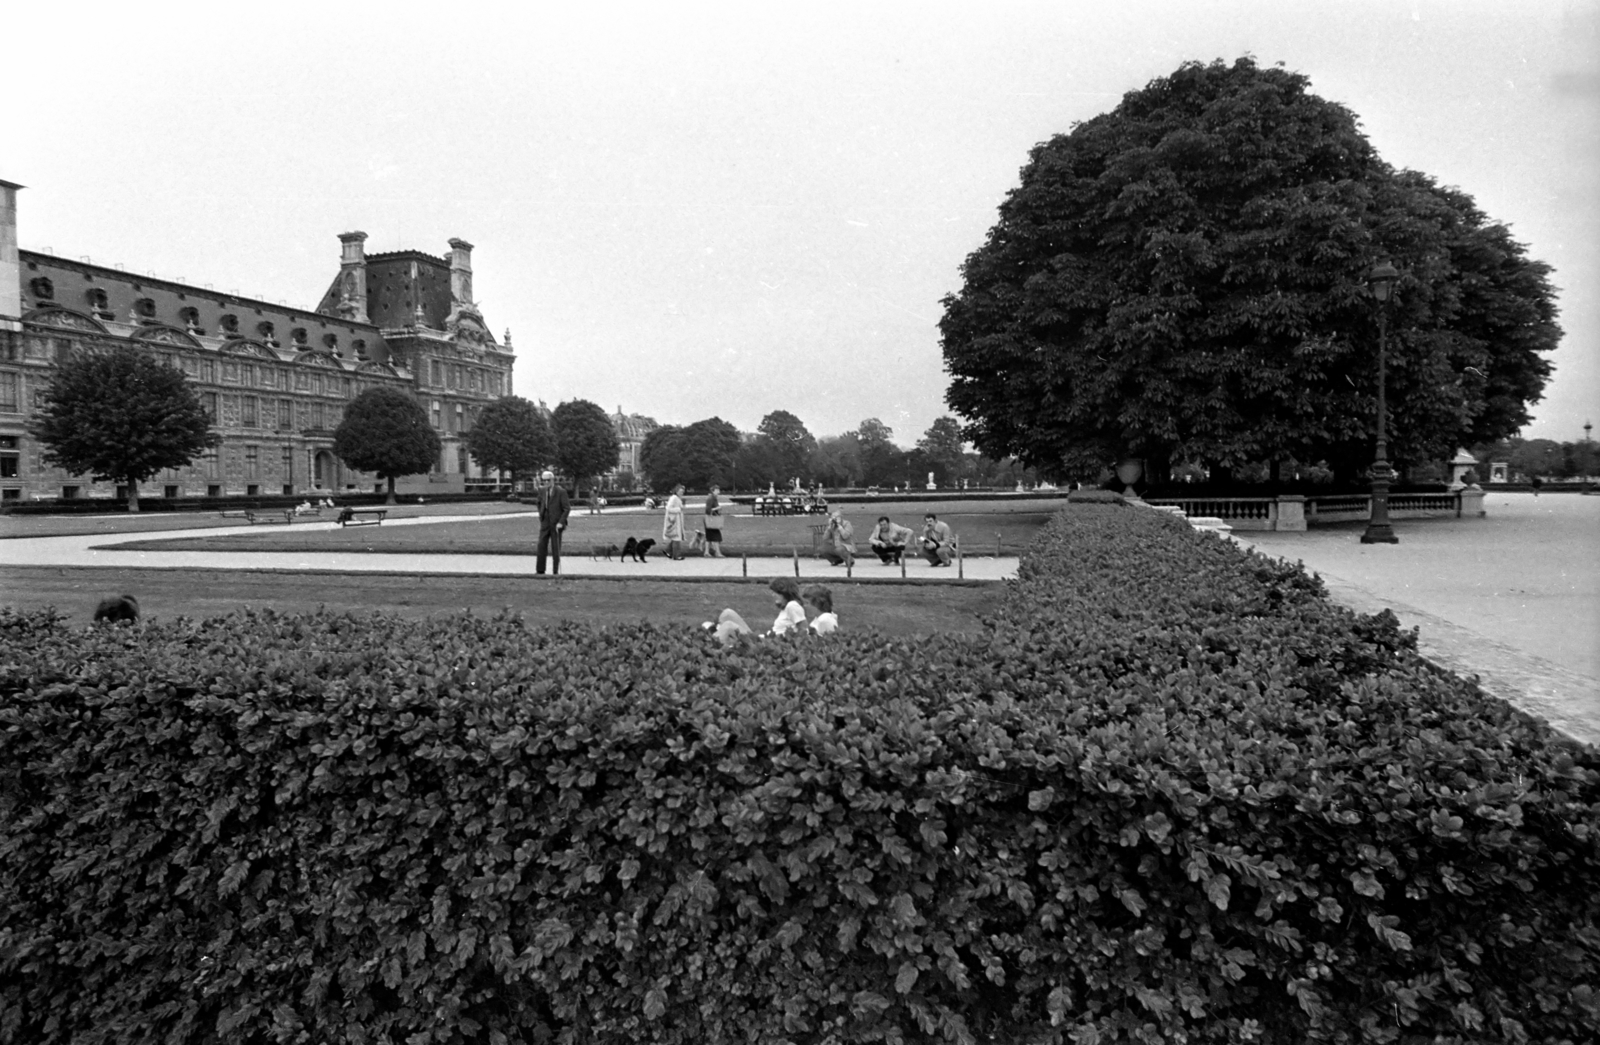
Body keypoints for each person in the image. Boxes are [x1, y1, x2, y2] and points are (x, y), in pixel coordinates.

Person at [704, 577, 806, 645]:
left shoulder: (792, 606)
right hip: (764, 639)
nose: (773, 595)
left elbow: (804, 630)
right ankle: (715, 633)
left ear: (784, 593)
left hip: (767, 644)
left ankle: (709, 647)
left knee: (728, 626)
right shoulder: (788, 607)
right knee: (727, 614)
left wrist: (790, 646)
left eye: (776, 593)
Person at [535, 469, 571, 575]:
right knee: (541, 546)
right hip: (545, 522)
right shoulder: (542, 491)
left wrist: (561, 522)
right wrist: (541, 514)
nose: (546, 482)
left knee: (556, 548)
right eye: (544, 480)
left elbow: (567, 508)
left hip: (556, 524)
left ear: (552, 480)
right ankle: (540, 571)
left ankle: (555, 571)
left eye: (548, 480)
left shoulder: (561, 491)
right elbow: (538, 503)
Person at [662, 484, 687, 559]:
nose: (681, 492)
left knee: (676, 536)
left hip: (677, 520)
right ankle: (676, 555)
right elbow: (668, 508)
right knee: (677, 537)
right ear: (676, 491)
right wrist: (679, 509)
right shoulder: (674, 498)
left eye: (683, 491)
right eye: (680, 491)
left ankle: (668, 550)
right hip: (674, 521)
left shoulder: (677, 498)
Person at [703, 484, 726, 558]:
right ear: (713, 491)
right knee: (716, 536)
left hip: (710, 519)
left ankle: (706, 552)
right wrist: (717, 508)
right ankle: (717, 552)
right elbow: (708, 510)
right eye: (717, 490)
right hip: (711, 520)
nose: (719, 492)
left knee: (709, 536)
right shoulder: (711, 498)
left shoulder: (714, 498)